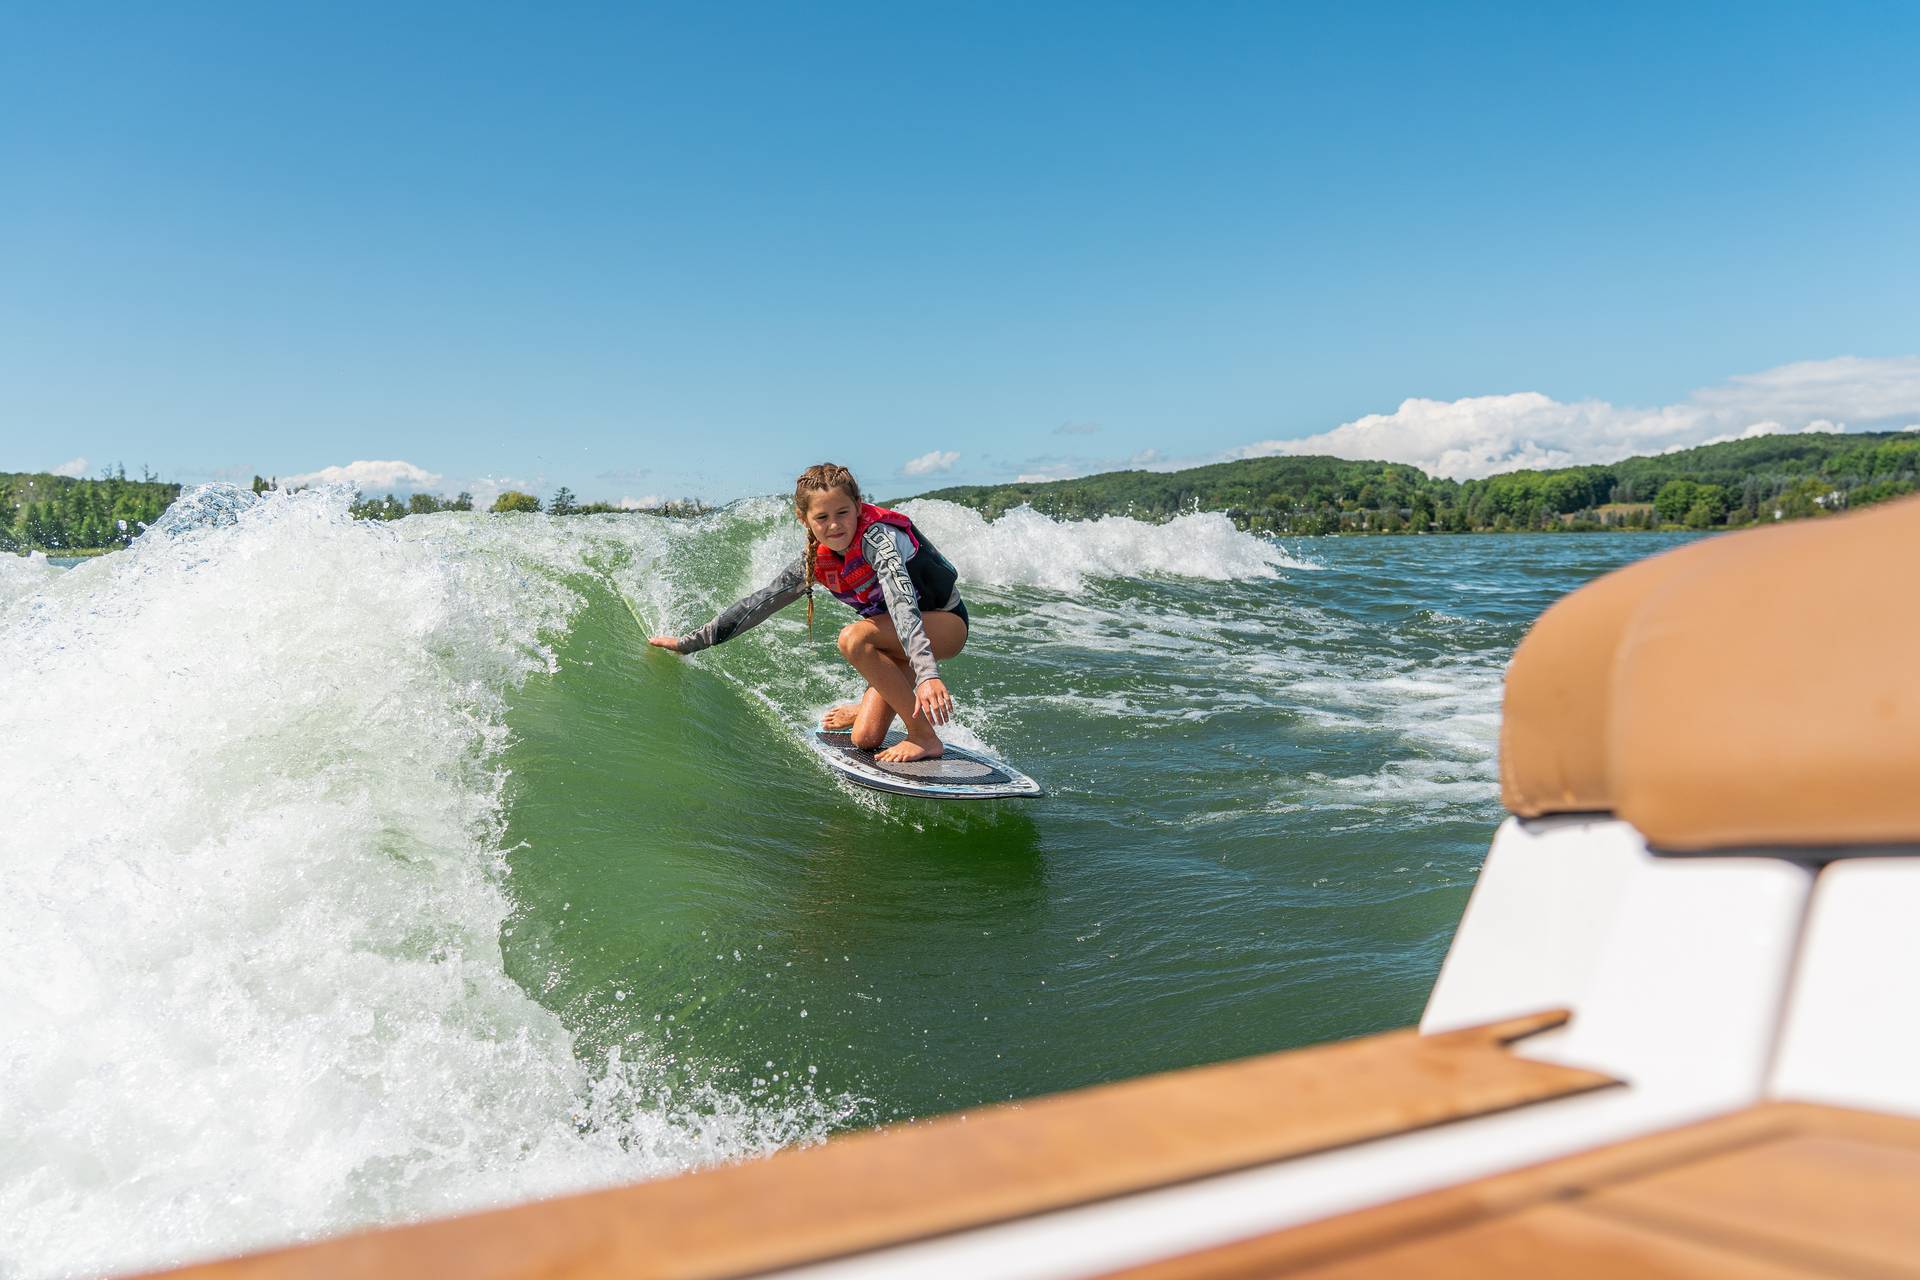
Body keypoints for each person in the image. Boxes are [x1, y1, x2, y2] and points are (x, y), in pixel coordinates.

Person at [650, 462, 968, 763]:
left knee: (853, 639)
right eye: (822, 517)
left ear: (859, 506)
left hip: (943, 625)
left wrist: (927, 675)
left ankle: (924, 738)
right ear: (804, 519)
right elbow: (758, 605)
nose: (834, 524)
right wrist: (689, 643)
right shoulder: (814, 561)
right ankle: (864, 710)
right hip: (896, 638)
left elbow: (902, 603)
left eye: (843, 512)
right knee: (865, 739)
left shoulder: (879, 541)